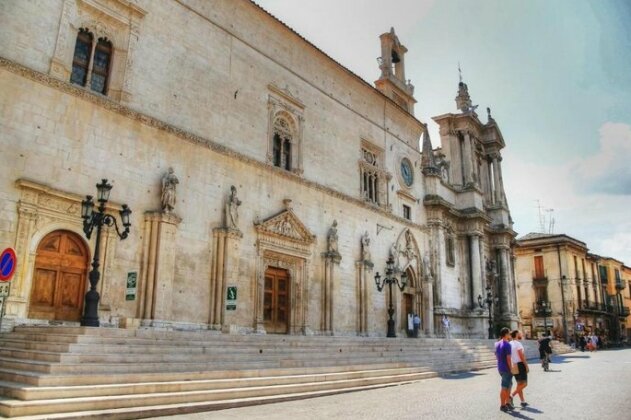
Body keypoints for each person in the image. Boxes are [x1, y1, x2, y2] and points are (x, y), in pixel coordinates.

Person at [495, 327, 514, 412]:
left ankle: (507, 403)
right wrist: (511, 369)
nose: (510, 335)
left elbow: (496, 354)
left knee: (509, 384)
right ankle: (503, 405)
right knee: (504, 387)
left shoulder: (498, 344)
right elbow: (508, 358)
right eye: (509, 333)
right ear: (506, 334)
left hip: (500, 367)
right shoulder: (507, 344)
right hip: (506, 368)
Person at [510, 330, 529, 407]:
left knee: (519, 384)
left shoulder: (510, 344)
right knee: (524, 384)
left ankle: (522, 401)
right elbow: (521, 356)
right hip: (520, 364)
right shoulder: (518, 344)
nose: (521, 334)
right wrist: (526, 365)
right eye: (520, 333)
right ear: (517, 334)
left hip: (514, 364)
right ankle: (511, 395)